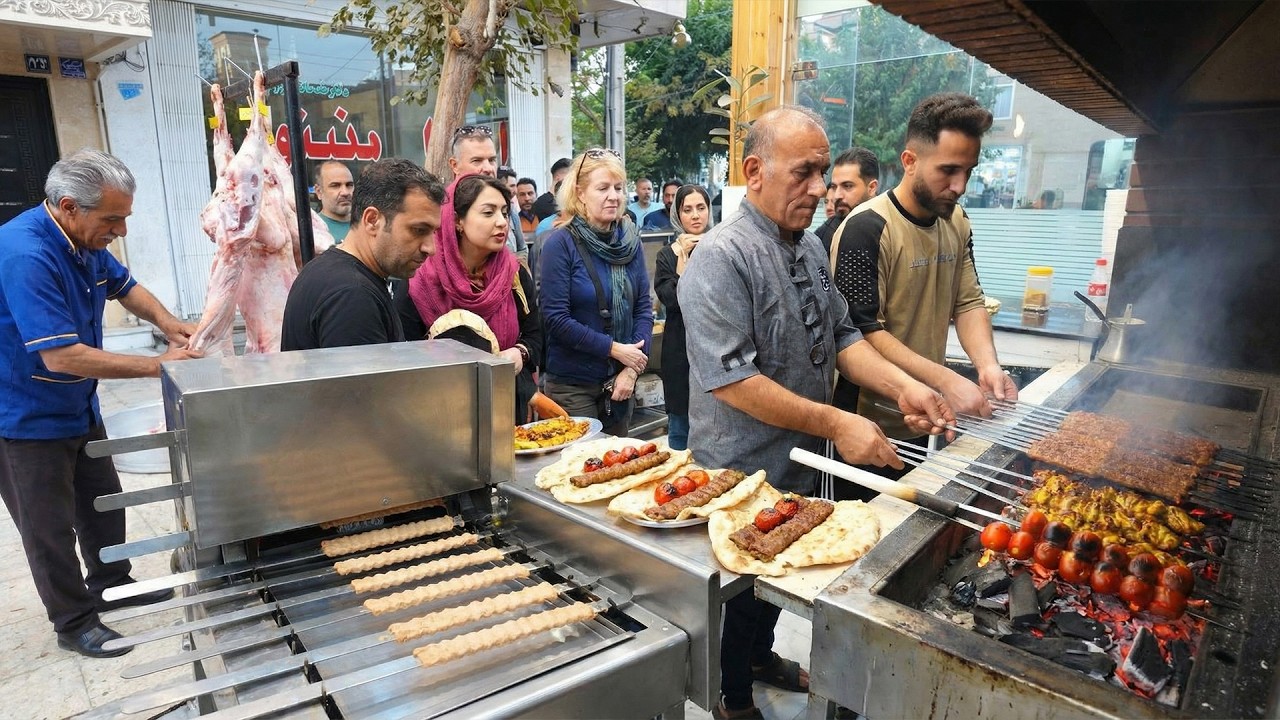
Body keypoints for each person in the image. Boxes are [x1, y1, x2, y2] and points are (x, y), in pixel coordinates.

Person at [679, 106, 952, 719]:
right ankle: (732, 697)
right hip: (738, 467)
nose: (819, 188)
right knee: (742, 583)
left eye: (823, 172)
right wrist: (836, 422)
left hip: (798, 458)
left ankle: (760, 658)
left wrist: (902, 388)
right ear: (754, 171)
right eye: (803, 172)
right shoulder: (721, 257)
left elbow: (844, 335)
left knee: (781, 575)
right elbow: (732, 380)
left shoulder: (807, 245)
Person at [0, 149, 203, 658]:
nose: (121, 230)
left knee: (101, 502)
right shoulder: (26, 253)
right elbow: (63, 357)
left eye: (125, 217)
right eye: (113, 219)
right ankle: (73, 622)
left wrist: (170, 323)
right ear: (69, 206)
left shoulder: (85, 241)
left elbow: (125, 287)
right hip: (25, 415)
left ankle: (112, 582)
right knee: (48, 528)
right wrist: (159, 366)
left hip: (79, 406)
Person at [831, 92, 1017, 489]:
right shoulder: (866, 228)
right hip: (868, 426)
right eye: (948, 170)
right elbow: (863, 333)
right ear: (910, 161)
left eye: (968, 171)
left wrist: (988, 366)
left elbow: (968, 301)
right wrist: (947, 380)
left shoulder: (956, 220)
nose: (959, 186)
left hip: (928, 415)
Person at [402, 174, 541, 423]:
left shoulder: (513, 274)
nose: (502, 222)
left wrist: (520, 353)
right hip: (439, 413)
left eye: (505, 213)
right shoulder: (421, 279)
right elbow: (405, 356)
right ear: (457, 221)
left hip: (506, 407)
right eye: (488, 213)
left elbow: (536, 335)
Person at [539, 148, 652, 437]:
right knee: (582, 462)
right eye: (603, 188)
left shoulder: (630, 242)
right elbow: (556, 319)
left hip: (621, 382)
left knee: (618, 462)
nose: (613, 196)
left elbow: (643, 309)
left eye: (618, 188)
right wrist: (614, 349)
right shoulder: (559, 244)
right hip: (573, 385)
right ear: (580, 193)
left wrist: (631, 370)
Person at [281, 158, 445, 350]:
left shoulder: (334, 274)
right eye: (419, 230)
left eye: (433, 232)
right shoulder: (352, 296)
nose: (430, 248)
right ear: (372, 220)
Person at [652, 184, 712, 451]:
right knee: (680, 427)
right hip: (680, 348)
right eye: (687, 210)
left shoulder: (721, 247)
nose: (695, 215)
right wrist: (683, 261)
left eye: (701, 208)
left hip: (713, 347)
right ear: (678, 214)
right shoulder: (667, 254)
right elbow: (672, 299)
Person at [447, 127, 527, 266]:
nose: (488, 168)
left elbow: (521, 250)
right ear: (455, 165)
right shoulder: (438, 211)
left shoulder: (508, 205)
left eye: (492, 160)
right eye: (477, 160)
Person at [815, 147, 879, 249]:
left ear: (871, 187)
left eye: (847, 186)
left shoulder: (891, 227)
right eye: (834, 187)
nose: (837, 195)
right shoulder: (823, 236)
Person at [314, 160, 354, 243]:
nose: (345, 192)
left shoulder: (367, 226)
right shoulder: (313, 230)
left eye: (349, 185)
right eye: (335, 186)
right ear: (319, 191)